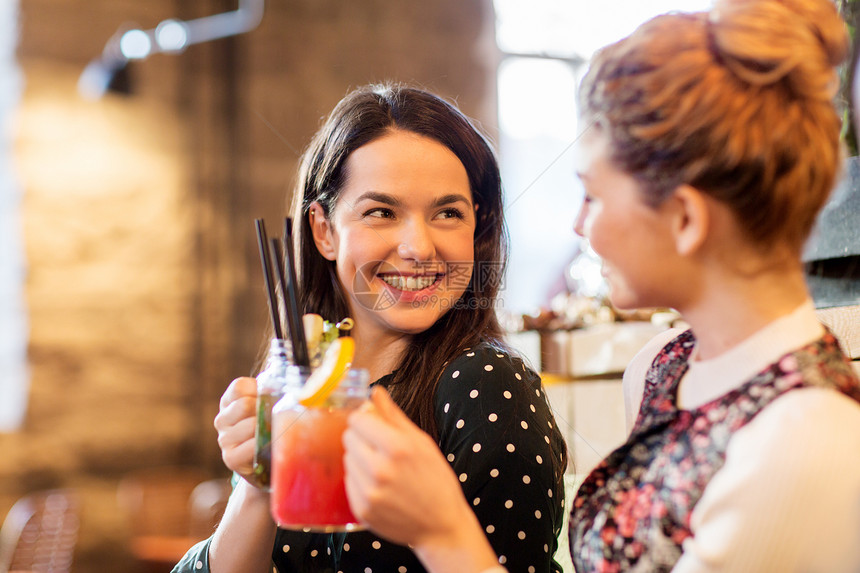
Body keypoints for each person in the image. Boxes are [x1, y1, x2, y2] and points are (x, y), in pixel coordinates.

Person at [342, 0, 860, 571]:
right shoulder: (661, 367)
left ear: (685, 219)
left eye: (593, 194)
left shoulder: (807, 442)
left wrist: (439, 530)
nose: (579, 225)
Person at [172, 84, 568, 573]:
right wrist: (257, 488)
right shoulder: (305, 379)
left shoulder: (486, 385)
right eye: (382, 212)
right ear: (324, 231)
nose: (419, 246)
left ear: (477, 227)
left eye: (447, 213)